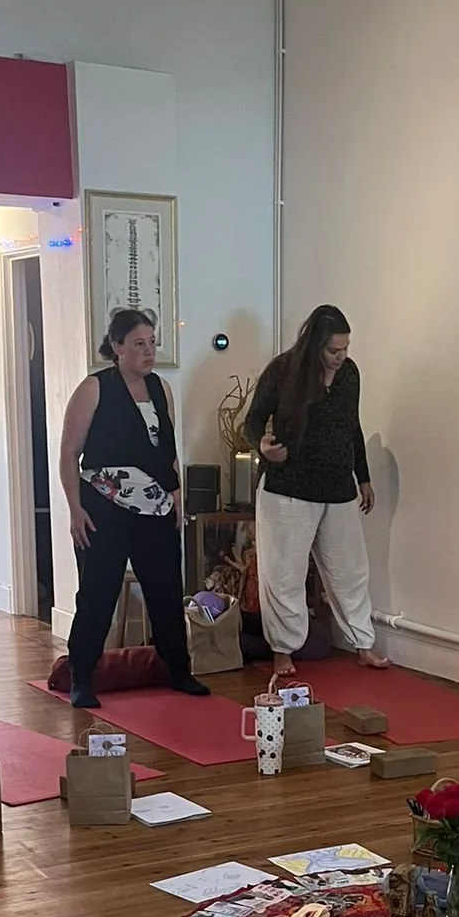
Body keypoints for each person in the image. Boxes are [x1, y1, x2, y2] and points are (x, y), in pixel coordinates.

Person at [58, 309, 209, 710]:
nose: (148, 351)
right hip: (104, 505)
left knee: (165, 588)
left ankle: (178, 668)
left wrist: (176, 495)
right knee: (98, 591)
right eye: (139, 344)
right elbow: (69, 453)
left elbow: (167, 449)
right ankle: (81, 675)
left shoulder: (161, 389)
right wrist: (75, 509)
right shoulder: (95, 388)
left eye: (152, 343)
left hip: (155, 504)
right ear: (118, 347)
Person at [244, 304, 388, 680]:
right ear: (315, 345)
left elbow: (352, 425)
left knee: (350, 571)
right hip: (287, 488)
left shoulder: (349, 374)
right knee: (284, 574)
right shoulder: (283, 370)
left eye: (345, 348)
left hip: (338, 486)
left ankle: (363, 644)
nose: (341, 356)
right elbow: (253, 420)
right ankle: (282, 650)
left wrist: (363, 476)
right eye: (333, 350)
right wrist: (262, 446)